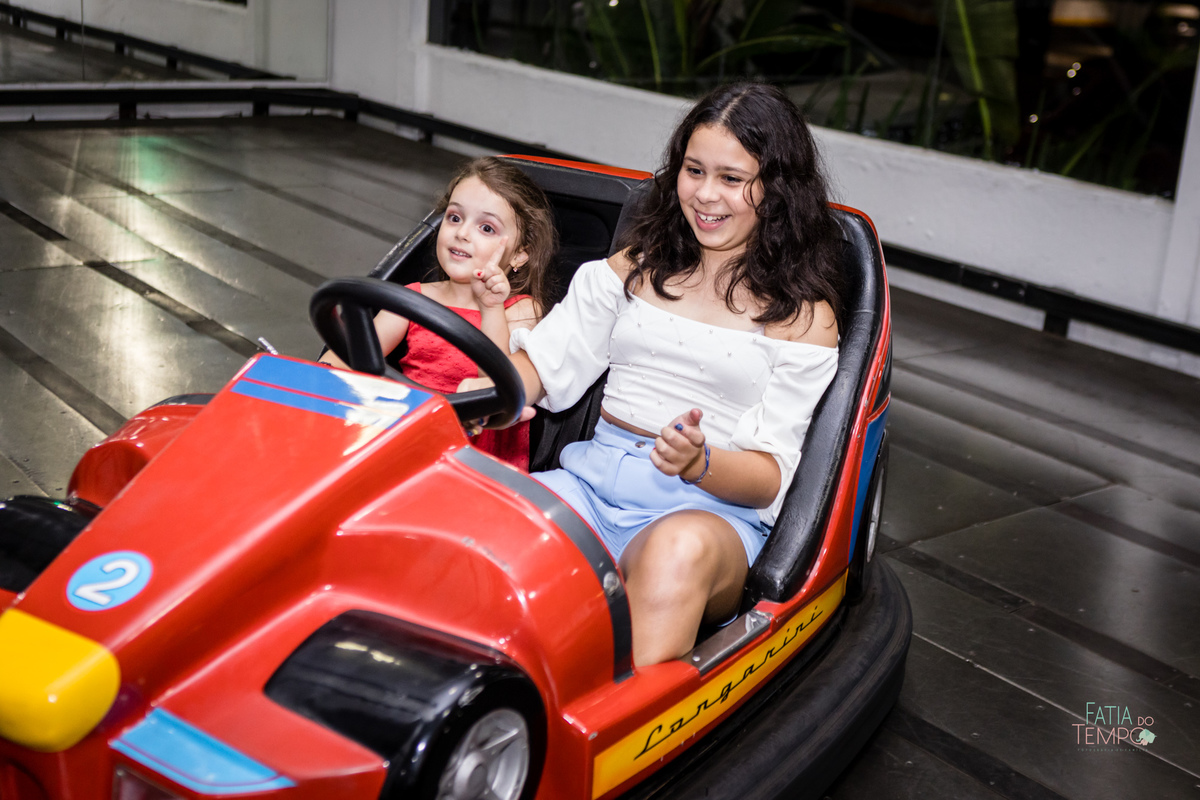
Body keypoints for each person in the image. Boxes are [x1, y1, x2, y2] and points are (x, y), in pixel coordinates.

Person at [465, 82, 846, 666]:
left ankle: (624, 732)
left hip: (711, 514)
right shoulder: (635, 266)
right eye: (694, 170)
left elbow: (772, 477)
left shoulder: (802, 315)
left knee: (676, 549)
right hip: (593, 487)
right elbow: (544, 363)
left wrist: (700, 463)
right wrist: (493, 391)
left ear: (776, 189)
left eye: (731, 177)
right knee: (483, 521)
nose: (706, 195)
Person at [323, 156, 556, 469]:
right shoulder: (412, 299)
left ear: (520, 253)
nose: (462, 233)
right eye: (455, 218)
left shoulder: (522, 310)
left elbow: (498, 386)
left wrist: (491, 308)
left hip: (480, 460)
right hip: (412, 439)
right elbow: (349, 357)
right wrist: (324, 373)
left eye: (486, 227)